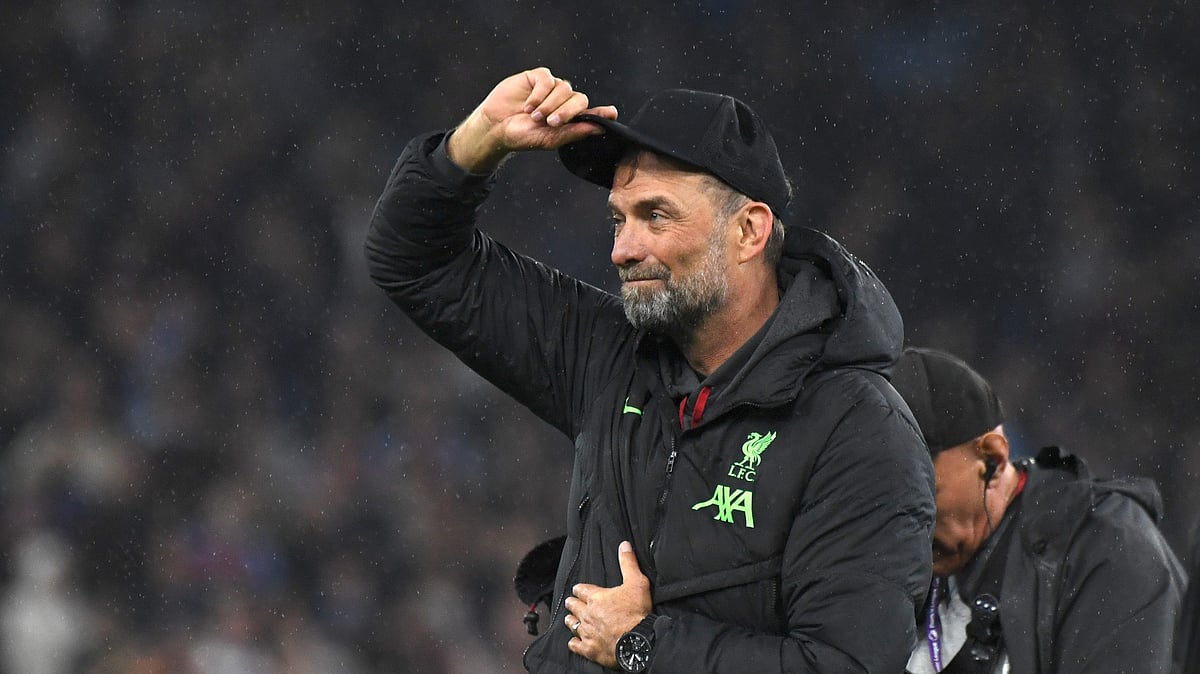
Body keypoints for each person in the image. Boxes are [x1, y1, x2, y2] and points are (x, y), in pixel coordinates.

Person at [365, 66, 935, 673]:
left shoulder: (858, 430)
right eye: (619, 219)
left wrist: (644, 646)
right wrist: (480, 139)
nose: (622, 249)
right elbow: (413, 260)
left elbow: (846, 666)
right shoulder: (604, 354)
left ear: (749, 230)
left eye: (656, 217)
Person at [891, 346, 1186, 674]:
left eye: (923, 495)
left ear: (992, 459)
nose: (902, 524)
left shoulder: (1107, 550)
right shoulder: (887, 568)